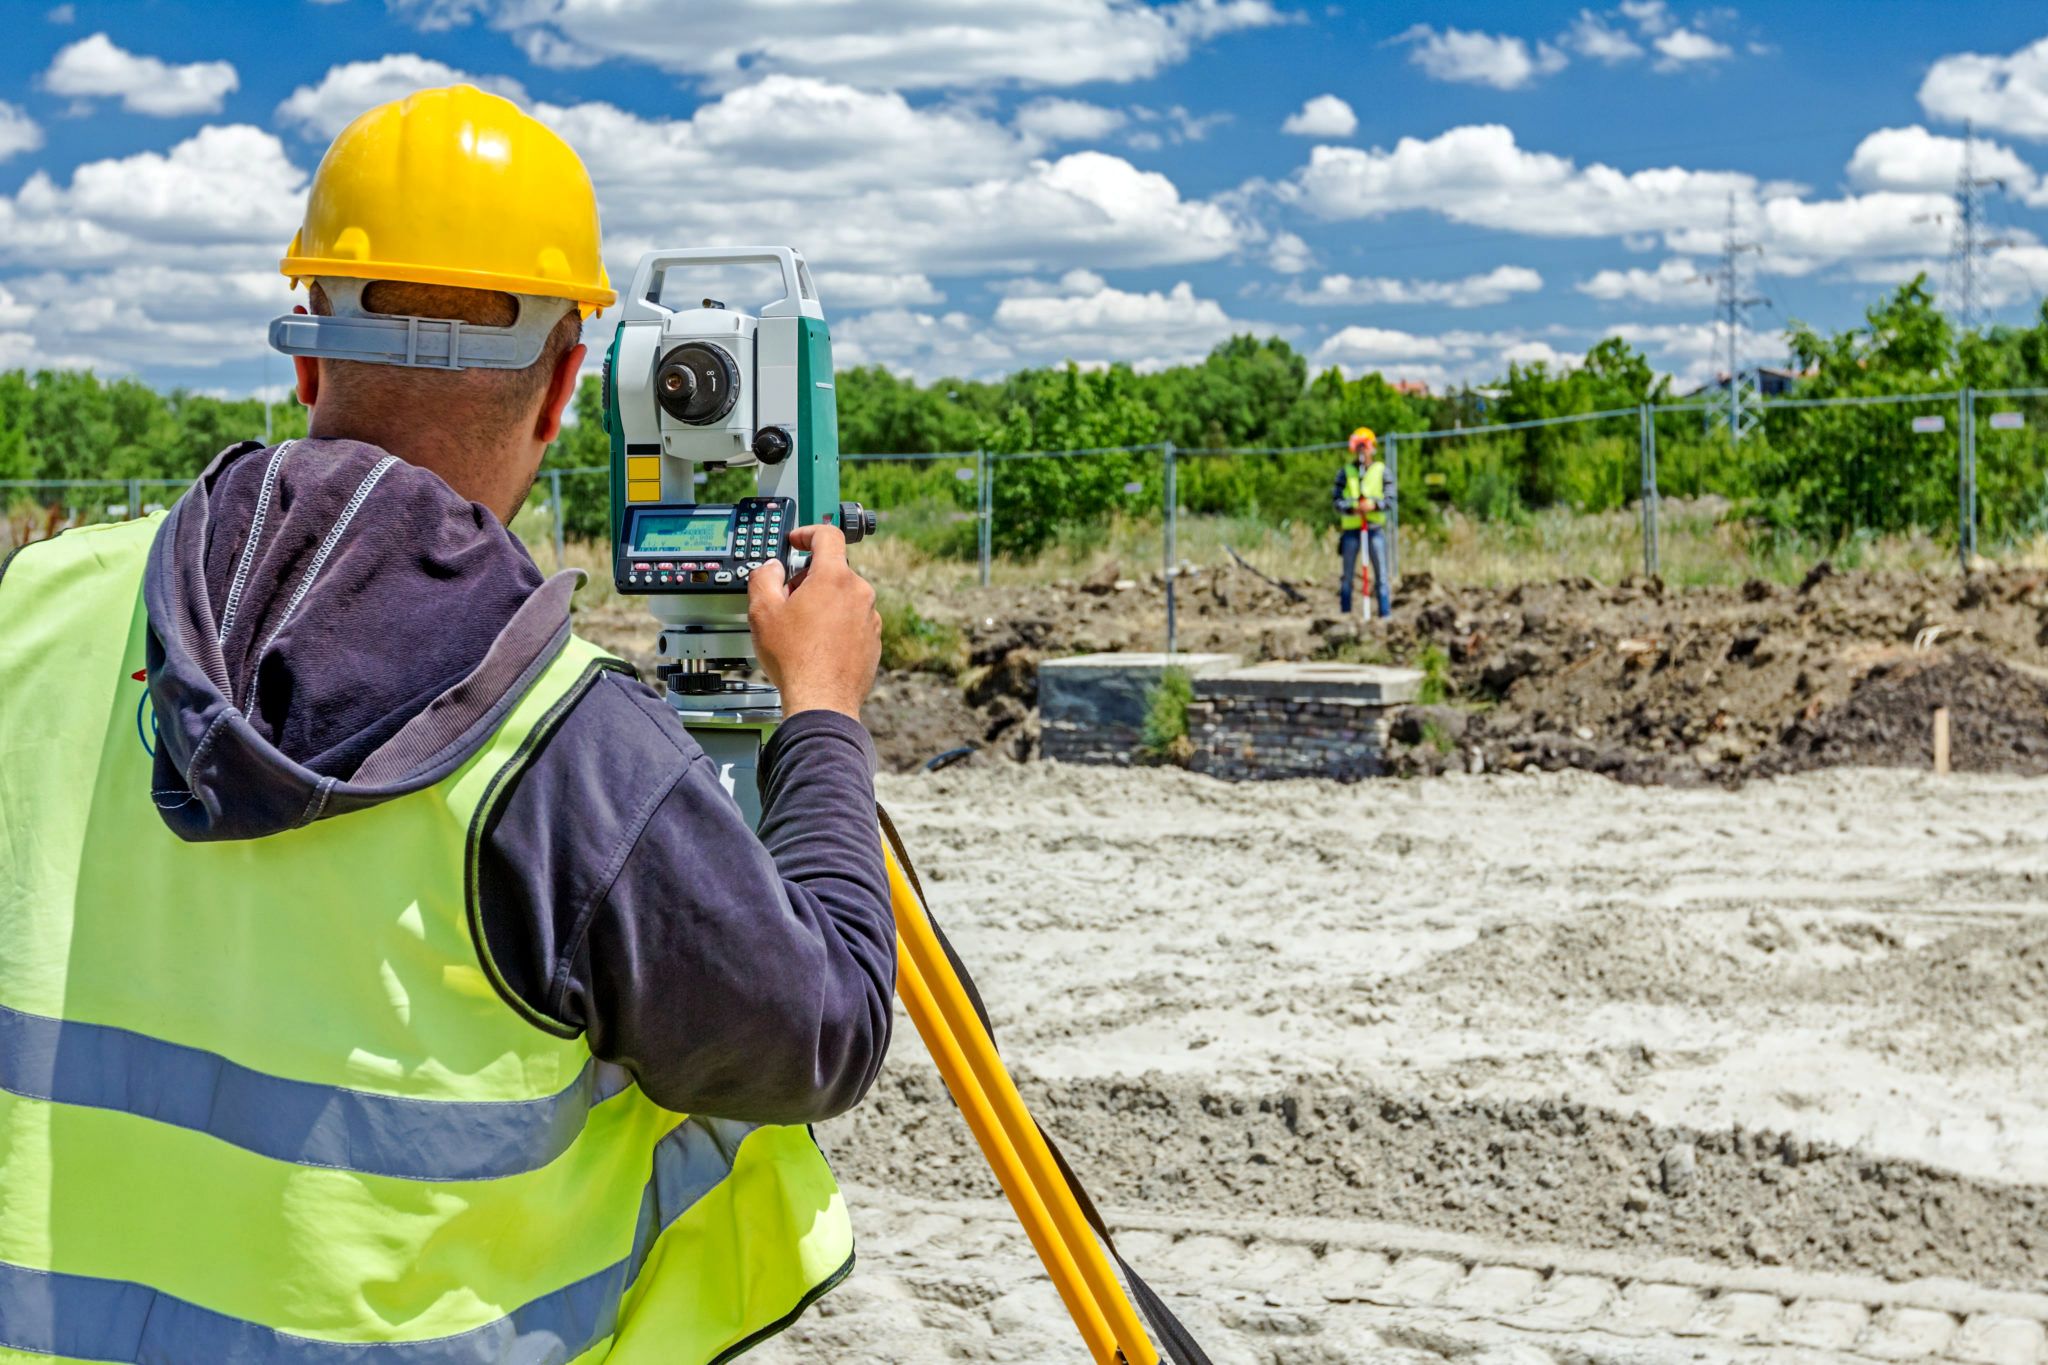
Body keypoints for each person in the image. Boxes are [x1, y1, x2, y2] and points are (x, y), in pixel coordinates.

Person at [0, 85, 892, 1363]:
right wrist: (818, 712)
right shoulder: (565, 751)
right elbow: (822, 1029)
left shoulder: (37, 610)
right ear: (564, 388)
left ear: (305, 355)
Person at [1333, 425, 1391, 617]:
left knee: (1381, 576)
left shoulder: (1381, 470)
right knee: (1347, 576)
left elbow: (1390, 499)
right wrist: (1352, 508)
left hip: (1373, 529)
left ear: (1372, 447)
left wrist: (1373, 506)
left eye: (1364, 446)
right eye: (1358, 447)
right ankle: (1345, 614)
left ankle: (1384, 615)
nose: (1361, 451)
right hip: (1351, 531)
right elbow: (1337, 499)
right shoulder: (1346, 472)